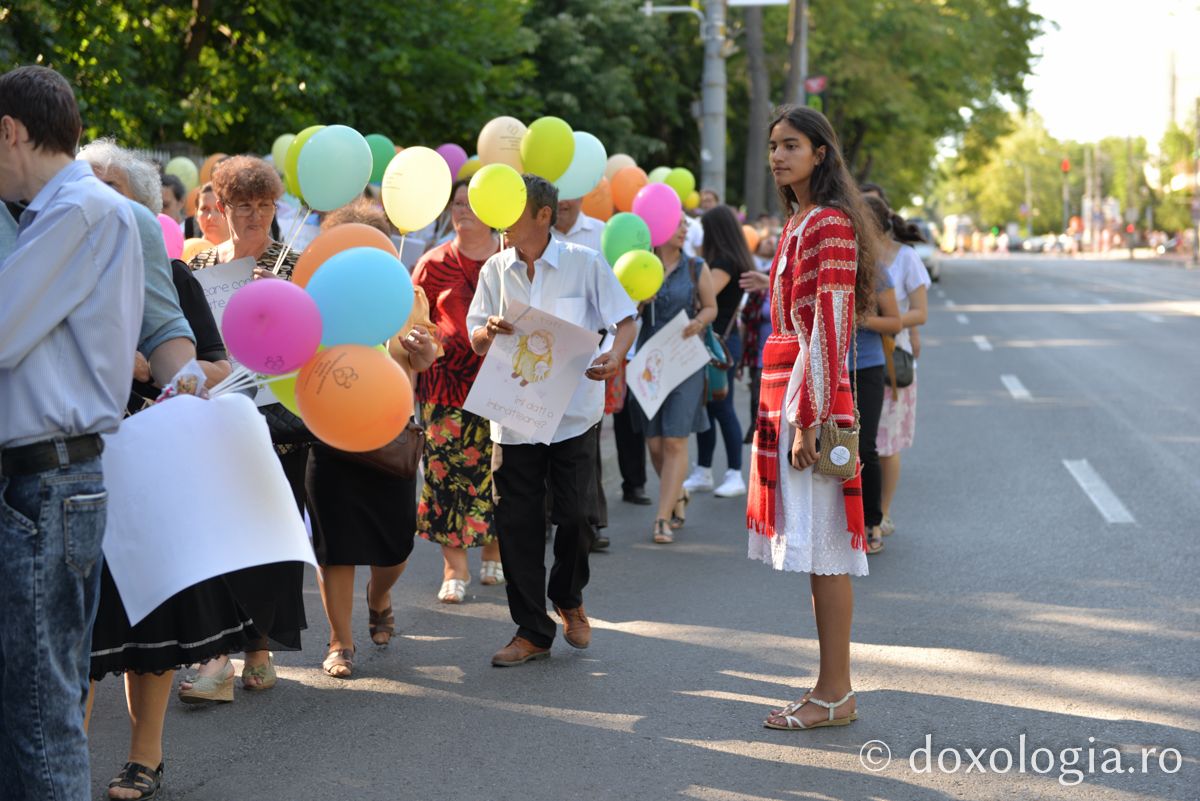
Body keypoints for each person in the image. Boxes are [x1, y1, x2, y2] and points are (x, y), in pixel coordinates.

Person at [0, 65, 144, 801]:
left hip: (47, 482)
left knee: (39, 712)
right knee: (29, 706)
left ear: (10, 131)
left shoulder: (76, 211)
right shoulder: (72, 209)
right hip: (49, 480)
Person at [468, 175, 636, 667]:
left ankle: (568, 595)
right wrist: (486, 334)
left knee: (578, 516)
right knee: (516, 522)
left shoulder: (585, 263)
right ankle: (531, 630)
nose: (503, 219)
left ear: (544, 215)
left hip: (573, 414)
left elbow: (624, 320)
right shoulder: (496, 269)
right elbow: (476, 331)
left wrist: (614, 357)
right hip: (514, 416)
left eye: (514, 209)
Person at [746, 105, 876, 731]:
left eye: (791, 145)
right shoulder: (801, 220)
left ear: (821, 152)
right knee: (819, 553)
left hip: (809, 389)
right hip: (790, 384)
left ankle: (835, 693)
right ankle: (831, 688)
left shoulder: (828, 223)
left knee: (827, 551)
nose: (778, 156)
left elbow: (831, 323)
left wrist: (809, 416)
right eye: (773, 145)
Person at [179, 155, 308, 702]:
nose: (254, 215)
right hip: (216, 416)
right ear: (221, 208)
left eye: (264, 205)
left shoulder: (294, 262)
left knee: (270, 533)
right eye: (243, 205)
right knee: (216, 532)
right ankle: (217, 655)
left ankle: (259, 648)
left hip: (279, 417)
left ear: (275, 207)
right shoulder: (200, 263)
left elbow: (313, 343)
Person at [307, 198, 441, 678]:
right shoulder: (313, 294)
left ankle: (379, 595)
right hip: (329, 432)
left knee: (396, 544)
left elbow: (427, 358)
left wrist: (422, 348)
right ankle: (340, 642)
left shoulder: (406, 293)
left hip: (391, 434)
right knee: (335, 545)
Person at [412, 181, 504, 603]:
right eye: (457, 203)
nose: (462, 209)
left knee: (498, 473)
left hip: (502, 384)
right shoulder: (432, 264)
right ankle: (455, 567)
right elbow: (413, 326)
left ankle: (494, 548)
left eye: (471, 204)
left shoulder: (509, 263)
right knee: (445, 475)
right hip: (444, 387)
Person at [631, 215, 717, 544]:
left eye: (685, 226)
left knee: (675, 440)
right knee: (654, 443)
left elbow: (711, 307)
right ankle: (677, 493)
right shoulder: (639, 264)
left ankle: (662, 517)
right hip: (650, 363)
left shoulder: (696, 266)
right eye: (678, 224)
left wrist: (699, 322)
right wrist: (639, 303)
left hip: (684, 361)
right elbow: (621, 312)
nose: (684, 230)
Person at [863, 195, 929, 538]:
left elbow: (920, 312)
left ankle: (883, 512)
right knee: (864, 440)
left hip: (892, 360)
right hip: (859, 358)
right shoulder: (857, 257)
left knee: (885, 443)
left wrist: (880, 322)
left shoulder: (905, 258)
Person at [552, 195, 616, 547]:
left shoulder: (601, 233)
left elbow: (620, 302)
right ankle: (547, 518)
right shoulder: (534, 235)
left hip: (589, 354)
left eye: (570, 193)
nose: (563, 201)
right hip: (542, 351)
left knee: (583, 442)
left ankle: (591, 522)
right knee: (537, 436)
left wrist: (611, 352)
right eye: (556, 194)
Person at [683, 205, 754, 498]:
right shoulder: (730, 258)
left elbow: (702, 294)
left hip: (719, 343)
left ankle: (735, 473)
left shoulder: (724, 262)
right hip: (717, 340)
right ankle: (703, 470)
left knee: (721, 407)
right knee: (707, 406)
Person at [849, 227, 903, 555]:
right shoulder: (821, 267)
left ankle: (872, 521)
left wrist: (860, 319)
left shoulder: (875, 272)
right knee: (829, 448)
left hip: (866, 367)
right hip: (828, 367)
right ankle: (839, 520)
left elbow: (895, 322)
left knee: (865, 446)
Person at [182, 181, 230, 261]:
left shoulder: (246, 253)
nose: (210, 217)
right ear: (196, 214)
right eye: (205, 209)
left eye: (218, 209)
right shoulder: (186, 253)